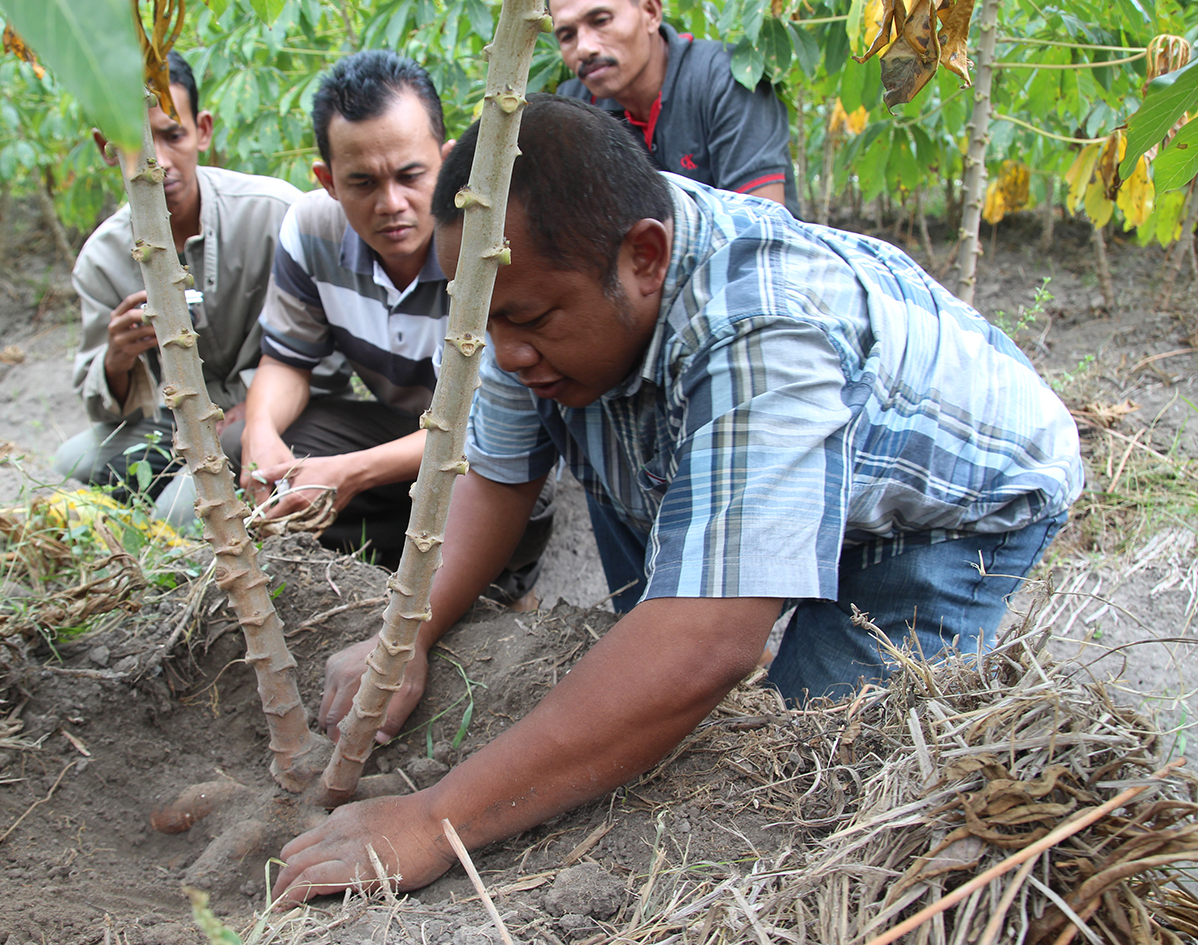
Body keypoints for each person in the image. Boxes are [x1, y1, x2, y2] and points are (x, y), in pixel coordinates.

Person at [270, 96, 1083, 902]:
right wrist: (404, 633)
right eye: (485, 323)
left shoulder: (762, 325)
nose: (506, 353)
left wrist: (435, 818)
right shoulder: (533, 283)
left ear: (646, 258)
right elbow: (496, 475)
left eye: (529, 320)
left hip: (942, 504)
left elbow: (704, 642)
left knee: (813, 761)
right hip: (701, 442)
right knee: (656, 655)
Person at [239, 50, 551, 594]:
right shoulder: (311, 231)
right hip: (403, 434)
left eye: (411, 176)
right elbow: (286, 361)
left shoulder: (488, 247)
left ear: (450, 162)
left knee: (514, 490)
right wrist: (260, 437)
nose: (392, 204)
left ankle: (499, 573)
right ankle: (385, 560)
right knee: (251, 446)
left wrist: (351, 472)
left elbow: (494, 426)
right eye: (362, 183)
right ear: (328, 180)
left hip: (492, 444)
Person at [57, 52, 341, 526]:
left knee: (180, 514)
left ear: (202, 130)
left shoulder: (273, 214)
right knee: (76, 461)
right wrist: (118, 357)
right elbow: (99, 399)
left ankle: (189, 518)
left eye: (173, 135)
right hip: (174, 424)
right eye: (134, 142)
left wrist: (257, 404)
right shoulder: (102, 259)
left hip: (277, 415)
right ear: (105, 146)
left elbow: (331, 349)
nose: (157, 162)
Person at [552, 0, 798, 212]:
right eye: (567, 36)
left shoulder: (725, 80)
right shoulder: (576, 108)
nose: (584, 48)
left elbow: (759, 232)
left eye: (601, 21)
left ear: (650, 12)